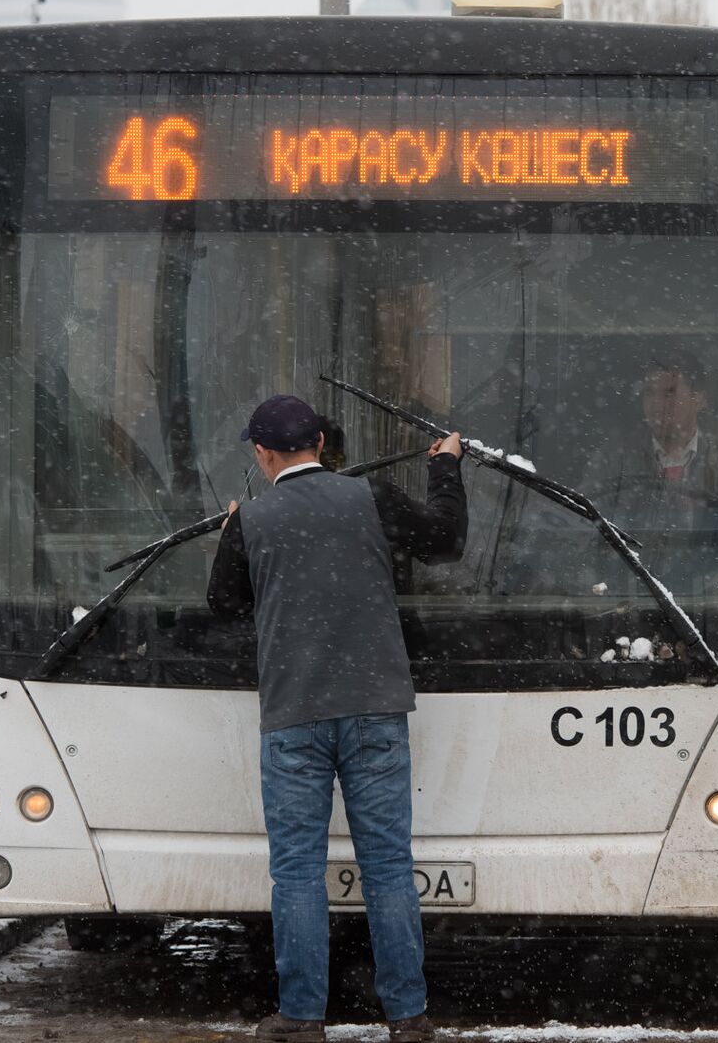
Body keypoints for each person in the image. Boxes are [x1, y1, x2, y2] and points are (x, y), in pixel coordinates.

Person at [207, 394, 466, 1043]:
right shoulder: (372, 499)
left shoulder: (255, 521)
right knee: (386, 866)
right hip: (376, 710)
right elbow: (445, 542)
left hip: (294, 715)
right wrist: (447, 467)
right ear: (321, 442)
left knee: (296, 870)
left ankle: (301, 1016)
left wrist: (233, 534)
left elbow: (224, 606)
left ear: (263, 453)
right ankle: (407, 1018)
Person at [581, 351, 718, 509]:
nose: (656, 403)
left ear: (699, 399)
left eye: (669, 393)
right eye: (649, 393)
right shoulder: (613, 459)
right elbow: (583, 524)